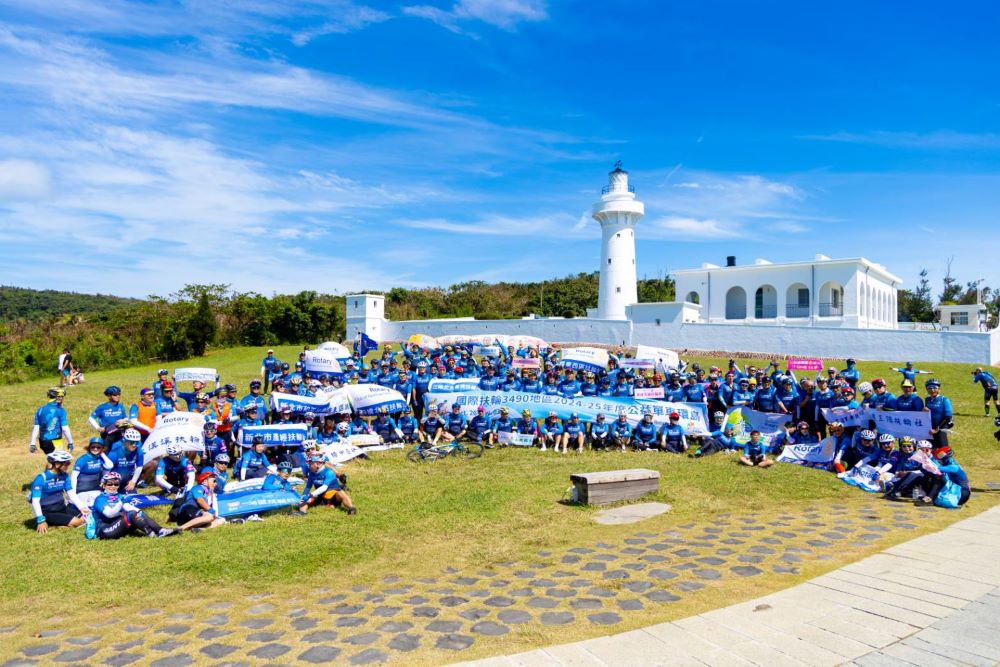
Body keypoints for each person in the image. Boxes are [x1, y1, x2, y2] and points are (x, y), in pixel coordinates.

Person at [93, 472, 176, 539]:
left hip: (118, 525)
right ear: (104, 485)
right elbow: (110, 514)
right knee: (132, 513)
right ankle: (152, 534)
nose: (113, 487)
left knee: (136, 512)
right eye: (110, 484)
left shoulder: (119, 496)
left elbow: (128, 507)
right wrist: (121, 503)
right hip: (105, 530)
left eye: (116, 484)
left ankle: (160, 530)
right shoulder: (100, 499)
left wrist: (139, 513)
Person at [30, 450, 87, 534]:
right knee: (77, 522)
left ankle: (59, 523)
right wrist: (40, 520)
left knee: (85, 519)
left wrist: (82, 507)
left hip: (61, 508)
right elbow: (35, 501)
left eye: (69, 463)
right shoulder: (41, 478)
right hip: (47, 512)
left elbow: (71, 494)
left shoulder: (65, 476)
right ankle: (52, 523)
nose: (68, 466)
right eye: (66, 464)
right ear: (57, 465)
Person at [71, 437, 113, 509]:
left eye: (98, 447)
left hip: (96, 489)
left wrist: (102, 454)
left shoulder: (100, 458)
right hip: (82, 490)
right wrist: (73, 494)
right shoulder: (83, 459)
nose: (95, 449)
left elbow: (110, 465)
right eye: (93, 447)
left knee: (103, 505)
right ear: (89, 447)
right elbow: (73, 477)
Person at [30, 387, 74, 455]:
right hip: (55, 441)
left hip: (43, 442)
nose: (62, 399)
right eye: (61, 397)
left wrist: (32, 444)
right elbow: (65, 429)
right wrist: (70, 442)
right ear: (58, 398)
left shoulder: (40, 410)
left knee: (51, 461)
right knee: (59, 463)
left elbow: (36, 428)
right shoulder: (60, 410)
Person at [107, 428, 144, 492]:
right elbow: (106, 468)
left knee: (133, 499)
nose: (134, 445)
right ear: (125, 441)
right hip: (113, 481)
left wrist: (133, 481)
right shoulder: (116, 449)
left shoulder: (139, 450)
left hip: (127, 480)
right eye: (132, 442)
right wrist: (108, 483)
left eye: (137, 442)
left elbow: (139, 466)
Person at [924, 379, 953, 449]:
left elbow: (948, 417)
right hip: (930, 429)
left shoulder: (945, 400)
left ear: (939, 388)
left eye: (934, 388)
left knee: (943, 450)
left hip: (941, 428)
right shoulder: (927, 399)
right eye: (929, 388)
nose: (932, 390)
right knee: (930, 449)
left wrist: (937, 429)